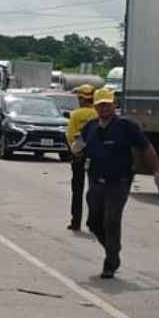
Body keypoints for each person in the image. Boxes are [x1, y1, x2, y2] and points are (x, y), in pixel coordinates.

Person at [79, 88, 159, 278]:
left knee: (111, 220)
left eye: (107, 104)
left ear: (114, 105)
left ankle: (111, 261)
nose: (104, 108)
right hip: (96, 181)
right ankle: (112, 247)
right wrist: (75, 147)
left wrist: (157, 172)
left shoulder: (126, 126)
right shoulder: (91, 127)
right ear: (94, 106)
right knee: (94, 222)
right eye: (100, 105)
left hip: (118, 182)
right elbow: (79, 145)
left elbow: (146, 148)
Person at [65, 84, 98, 231]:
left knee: (77, 190)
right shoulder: (97, 114)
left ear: (82, 99)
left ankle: (75, 222)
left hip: (78, 155)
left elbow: (70, 135)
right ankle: (93, 222)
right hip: (95, 157)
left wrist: (75, 151)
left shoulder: (76, 115)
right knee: (94, 191)